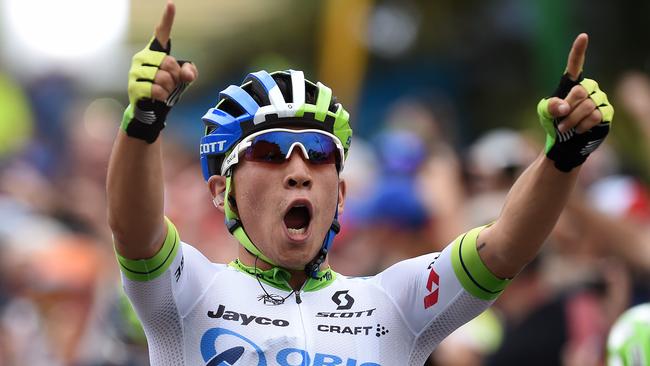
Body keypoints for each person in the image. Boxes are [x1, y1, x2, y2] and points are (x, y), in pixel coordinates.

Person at [106, 2, 614, 365]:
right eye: (269, 152)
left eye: (321, 154)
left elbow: (505, 246)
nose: (299, 170)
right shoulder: (188, 291)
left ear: (342, 194)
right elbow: (134, 228)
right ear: (222, 192)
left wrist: (564, 154)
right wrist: (145, 122)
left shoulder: (393, 304)